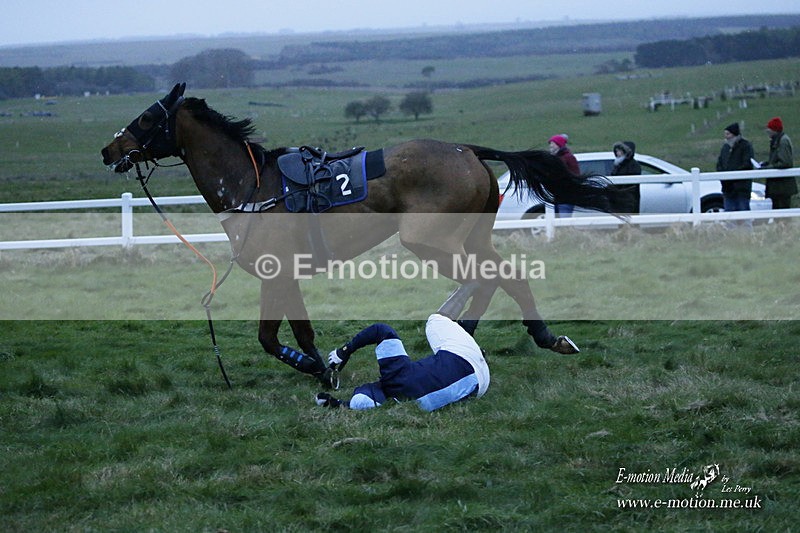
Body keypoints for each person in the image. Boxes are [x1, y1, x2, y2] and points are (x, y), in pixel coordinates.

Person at [315, 283, 490, 411]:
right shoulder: (396, 376)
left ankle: (469, 326)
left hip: (479, 386)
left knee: (443, 353)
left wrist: (338, 404)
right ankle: (471, 284)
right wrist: (344, 351)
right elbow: (381, 330)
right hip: (464, 358)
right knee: (435, 321)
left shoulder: (403, 402)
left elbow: (364, 403)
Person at [716, 123, 754, 227]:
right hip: (727, 189)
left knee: (744, 215)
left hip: (741, 188)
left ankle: (746, 235)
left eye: (728, 134)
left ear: (734, 134)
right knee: (729, 217)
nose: (726, 136)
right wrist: (723, 177)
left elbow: (747, 164)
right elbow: (719, 164)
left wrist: (732, 175)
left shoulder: (746, 146)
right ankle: (731, 235)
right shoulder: (725, 148)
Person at [760, 117, 796, 210]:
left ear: (774, 130)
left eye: (769, 128)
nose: (767, 131)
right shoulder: (778, 140)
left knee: (782, 211)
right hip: (779, 186)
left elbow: (785, 162)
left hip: (782, 187)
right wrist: (767, 164)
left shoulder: (783, 141)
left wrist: (769, 167)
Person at [548, 134, 580, 217]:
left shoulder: (569, 157)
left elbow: (576, 175)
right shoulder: (554, 158)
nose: (550, 145)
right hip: (556, 196)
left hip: (566, 196)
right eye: (550, 143)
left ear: (559, 145)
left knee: (564, 220)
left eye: (553, 143)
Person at [610, 141, 642, 214]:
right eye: (616, 151)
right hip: (619, 198)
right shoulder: (618, 165)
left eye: (619, 151)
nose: (617, 153)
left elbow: (631, 184)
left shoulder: (633, 165)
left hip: (628, 199)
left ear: (625, 152)